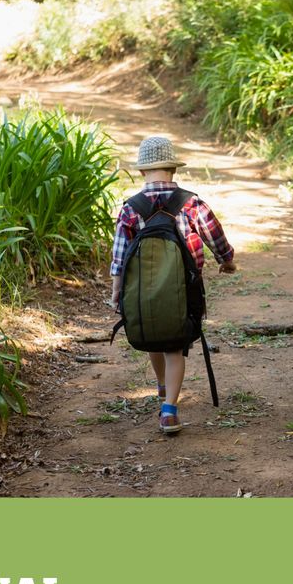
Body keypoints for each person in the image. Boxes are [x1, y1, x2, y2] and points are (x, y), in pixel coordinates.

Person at [110, 135, 237, 434]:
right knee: (175, 347)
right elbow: (215, 236)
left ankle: (162, 387)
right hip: (185, 290)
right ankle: (169, 410)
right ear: (173, 170)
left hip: (142, 293)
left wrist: (117, 292)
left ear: (143, 172)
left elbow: (119, 256)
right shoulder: (191, 203)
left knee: (153, 335)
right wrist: (226, 260)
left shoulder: (130, 208)